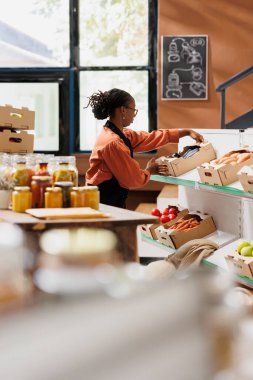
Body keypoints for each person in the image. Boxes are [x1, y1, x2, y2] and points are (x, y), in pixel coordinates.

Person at [85, 88, 204, 208]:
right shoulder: (113, 143)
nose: (134, 115)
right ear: (123, 110)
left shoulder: (121, 134)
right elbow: (133, 179)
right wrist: (150, 170)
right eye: (134, 110)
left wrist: (185, 132)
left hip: (108, 198)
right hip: (103, 202)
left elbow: (150, 138)